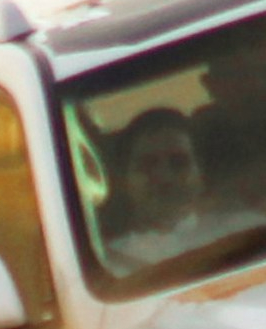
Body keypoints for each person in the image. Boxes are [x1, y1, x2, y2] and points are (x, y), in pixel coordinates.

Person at [96, 104, 235, 268]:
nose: (164, 177)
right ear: (124, 181)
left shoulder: (242, 232)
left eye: (178, 163)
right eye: (148, 165)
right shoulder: (105, 267)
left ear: (201, 173)